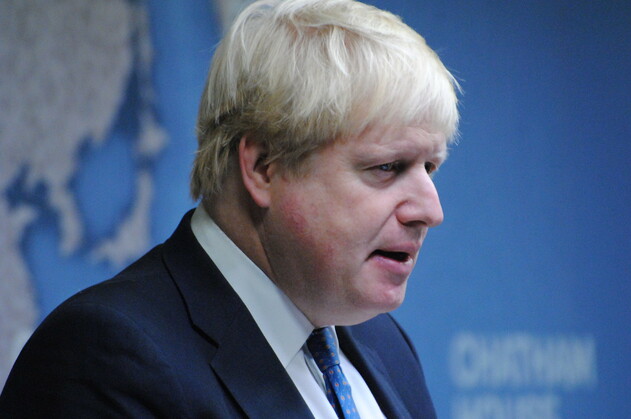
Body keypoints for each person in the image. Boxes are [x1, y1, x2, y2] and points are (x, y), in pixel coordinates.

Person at [0, 0, 459, 417]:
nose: (429, 210)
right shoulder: (102, 359)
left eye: (430, 167)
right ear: (262, 167)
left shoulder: (384, 345)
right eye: (386, 167)